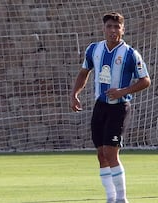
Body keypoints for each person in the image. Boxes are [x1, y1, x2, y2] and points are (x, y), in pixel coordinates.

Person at [70, 12, 150, 203]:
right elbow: (83, 73)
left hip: (119, 107)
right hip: (100, 106)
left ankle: (122, 199)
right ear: (103, 28)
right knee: (100, 154)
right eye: (109, 26)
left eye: (117, 27)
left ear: (123, 29)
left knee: (110, 152)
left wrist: (123, 91)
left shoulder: (130, 54)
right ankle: (110, 198)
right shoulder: (94, 49)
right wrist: (74, 94)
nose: (113, 30)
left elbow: (145, 80)